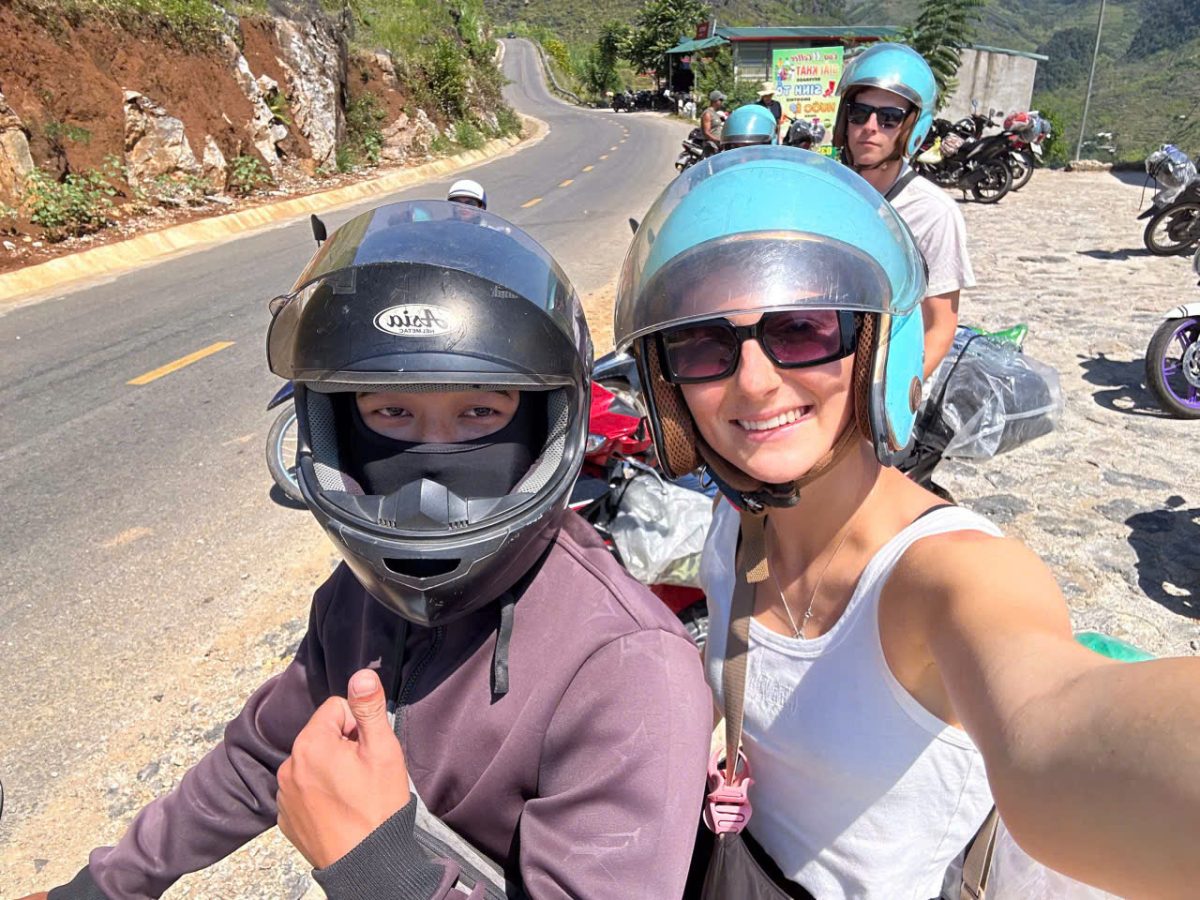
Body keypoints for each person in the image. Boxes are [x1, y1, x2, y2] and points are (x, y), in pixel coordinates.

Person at [32, 200, 712, 900]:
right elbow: (261, 755)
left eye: (480, 412)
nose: (429, 471)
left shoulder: (629, 670)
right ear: (334, 428)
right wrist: (104, 886)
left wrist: (376, 868)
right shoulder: (358, 599)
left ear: (545, 427)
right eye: (392, 411)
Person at [612, 147, 1200, 900]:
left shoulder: (950, 576)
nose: (754, 383)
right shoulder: (737, 528)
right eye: (701, 343)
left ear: (875, 348)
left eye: (801, 329)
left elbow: (1054, 723)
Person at [832, 44, 974, 379]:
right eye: (859, 112)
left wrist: (893, 397)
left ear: (912, 129)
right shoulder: (829, 191)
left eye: (889, 118)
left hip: (887, 373)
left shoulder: (933, 212)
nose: (870, 126)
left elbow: (940, 326)